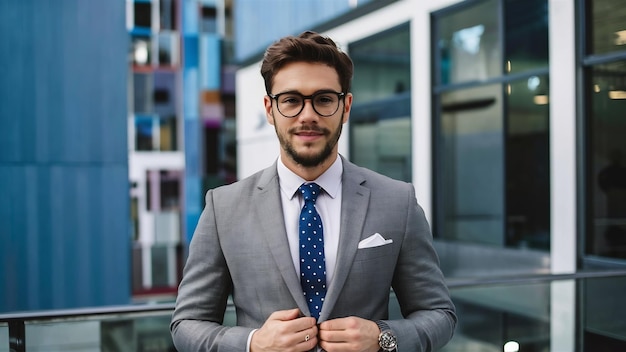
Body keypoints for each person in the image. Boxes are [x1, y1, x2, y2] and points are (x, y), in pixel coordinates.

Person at [170, 31, 457, 352]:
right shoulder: (223, 208)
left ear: (345, 107)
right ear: (269, 109)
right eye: (291, 100)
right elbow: (186, 325)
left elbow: (439, 314)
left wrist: (382, 337)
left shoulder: (397, 200)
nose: (308, 115)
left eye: (323, 99)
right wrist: (253, 343)